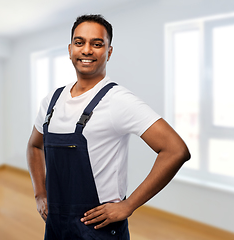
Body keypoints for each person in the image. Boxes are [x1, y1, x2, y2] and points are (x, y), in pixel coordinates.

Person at [27, 14, 190, 240]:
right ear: (70, 49)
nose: (86, 50)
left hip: (99, 229)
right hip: (55, 224)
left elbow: (176, 150)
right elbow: (35, 147)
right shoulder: (51, 100)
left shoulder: (118, 100)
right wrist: (39, 193)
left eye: (97, 44)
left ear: (109, 52)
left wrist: (129, 205)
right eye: (79, 42)